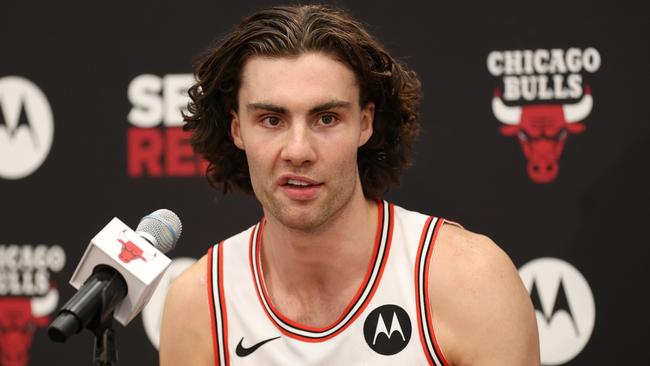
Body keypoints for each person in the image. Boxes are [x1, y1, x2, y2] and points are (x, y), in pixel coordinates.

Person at [160, 4, 539, 366]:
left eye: (326, 118)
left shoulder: (469, 278)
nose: (298, 151)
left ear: (365, 122)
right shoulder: (200, 303)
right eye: (271, 120)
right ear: (237, 129)